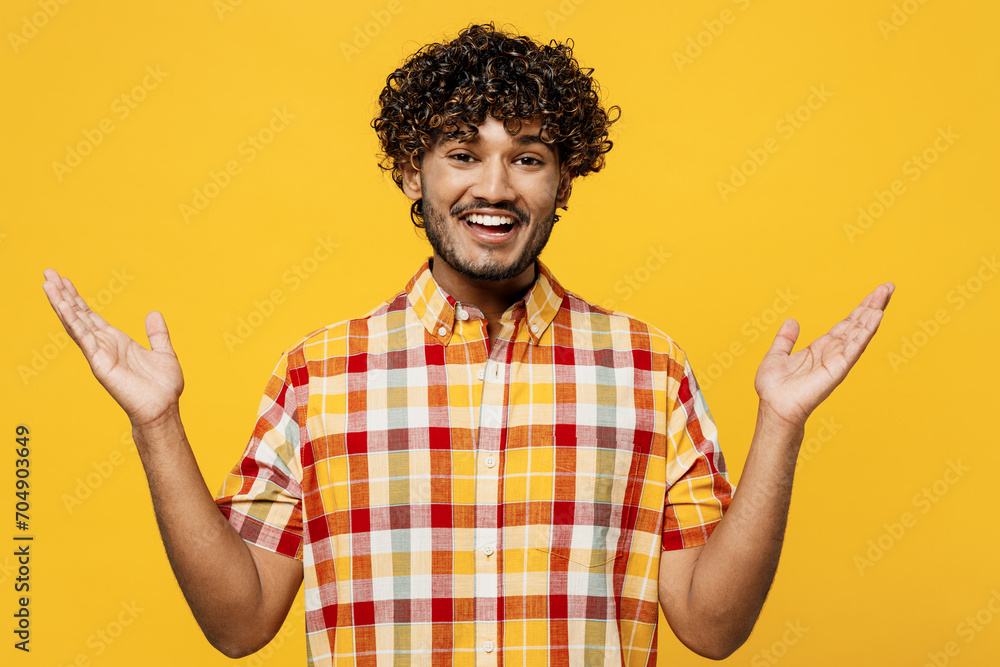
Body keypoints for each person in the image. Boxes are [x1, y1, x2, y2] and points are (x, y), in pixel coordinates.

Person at [42, 22, 893, 666]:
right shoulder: (318, 373)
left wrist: (780, 424)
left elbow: (712, 626)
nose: (494, 187)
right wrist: (156, 424)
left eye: (527, 157)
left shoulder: (649, 368)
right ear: (414, 174)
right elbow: (239, 621)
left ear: (565, 180)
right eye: (462, 153)